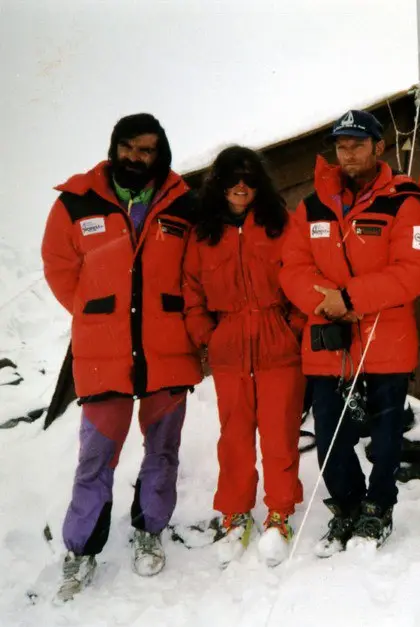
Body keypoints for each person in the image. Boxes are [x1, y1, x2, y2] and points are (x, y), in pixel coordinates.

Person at [41, 113, 202, 601]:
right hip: (103, 356)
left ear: (161, 153)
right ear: (114, 146)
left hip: (167, 352)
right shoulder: (76, 201)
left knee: (163, 450)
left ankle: (150, 529)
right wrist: (99, 316)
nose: (135, 157)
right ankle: (82, 549)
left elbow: (194, 270)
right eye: (127, 147)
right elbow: (59, 269)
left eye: (147, 150)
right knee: (95, 456)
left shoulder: (183, 202)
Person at [280, 110, 420, 556]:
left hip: (387, 336)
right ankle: (346, 505)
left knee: (386, 434)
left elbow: (413, 269)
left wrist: (351, 297)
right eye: (341, 146)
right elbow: (292, 266)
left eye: (357, 145)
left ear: (378, 147)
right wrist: (325, 303)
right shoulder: (311, 206)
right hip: (330, 338)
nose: (347, 154)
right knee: (329, 431)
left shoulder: (404, 201)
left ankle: (378, 507)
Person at [182, 146, 305, 568]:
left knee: (279, 433)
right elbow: (191, 291)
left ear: (261, 183)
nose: (240, 186)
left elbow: (301, 274)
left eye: (249, 178)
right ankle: (235, 513)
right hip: (230, 344)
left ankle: (279, 513)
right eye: (232, 177)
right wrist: (208, 336)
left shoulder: (280, 224)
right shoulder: (204, 234)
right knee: (233, 437)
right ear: (218, 182)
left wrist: (294, 328)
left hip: (277, 341)